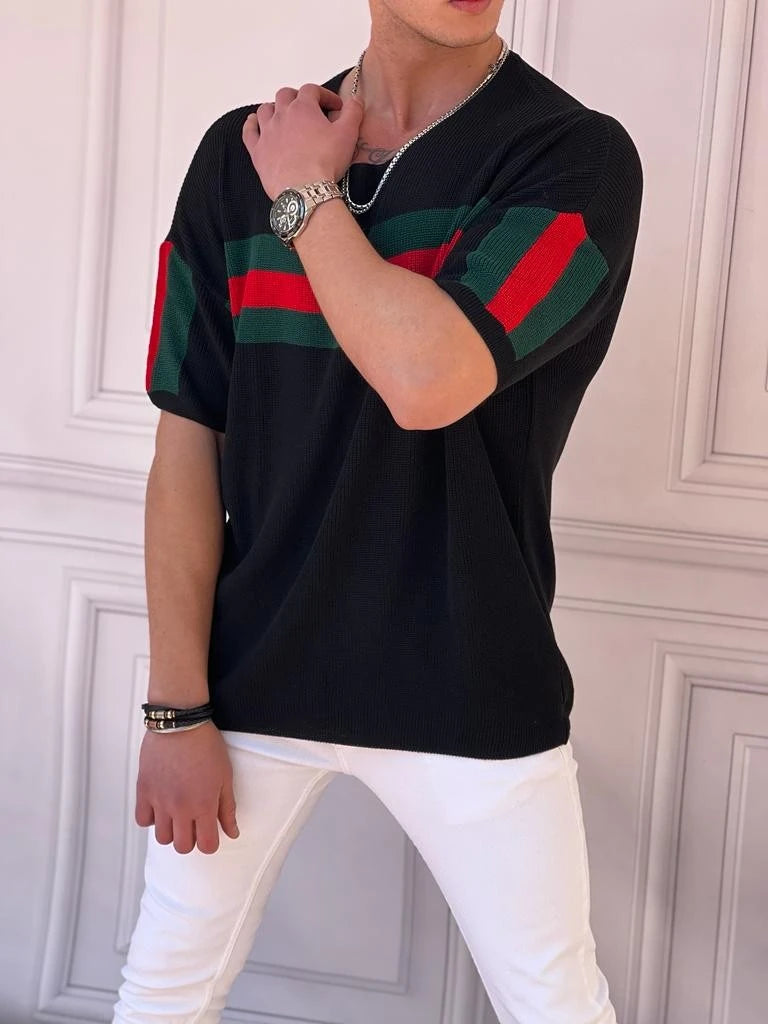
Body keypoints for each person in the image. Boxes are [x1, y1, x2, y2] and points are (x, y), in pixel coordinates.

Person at [113, 1, 643, 1021]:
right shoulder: (237, 155)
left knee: (556, 1004)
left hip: (470, 681)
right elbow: (187, 439)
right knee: (161, 990)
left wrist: (308, 196)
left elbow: (425, 379)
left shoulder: (573, 158)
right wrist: (175, 709)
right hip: (249, 679)